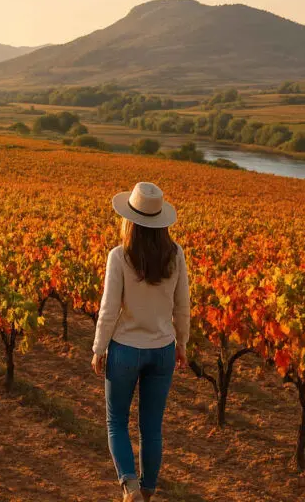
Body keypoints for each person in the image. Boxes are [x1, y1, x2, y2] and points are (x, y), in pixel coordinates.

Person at [91, 182, 190, 502]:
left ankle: (129, 485)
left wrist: (98, 348)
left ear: (128, 220)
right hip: (162, 350)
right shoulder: (176, 255)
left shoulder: (119, 256)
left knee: (116, 421)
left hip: (125, 350)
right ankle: (147, 493)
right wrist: (183, 345)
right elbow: (182, 306)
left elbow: (108, 308)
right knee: (152, 427)